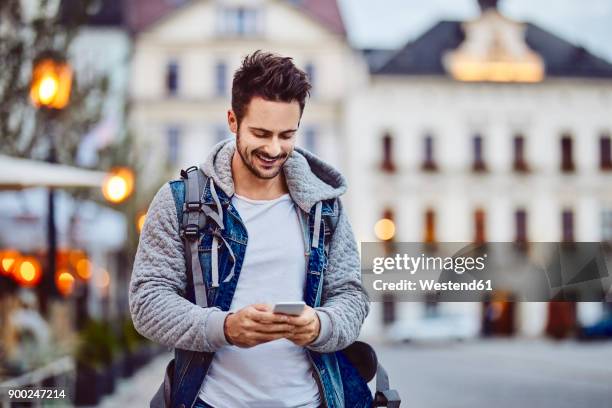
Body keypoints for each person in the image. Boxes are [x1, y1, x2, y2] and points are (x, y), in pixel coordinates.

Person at [129, 50, 371, 408]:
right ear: (232, 120)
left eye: (287, 135)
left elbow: (352, 297)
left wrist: (320, 325)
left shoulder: (325, 207)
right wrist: (224, 328)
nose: (274, 148)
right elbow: (147, 303)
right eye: (261, 133)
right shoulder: (180, 202)